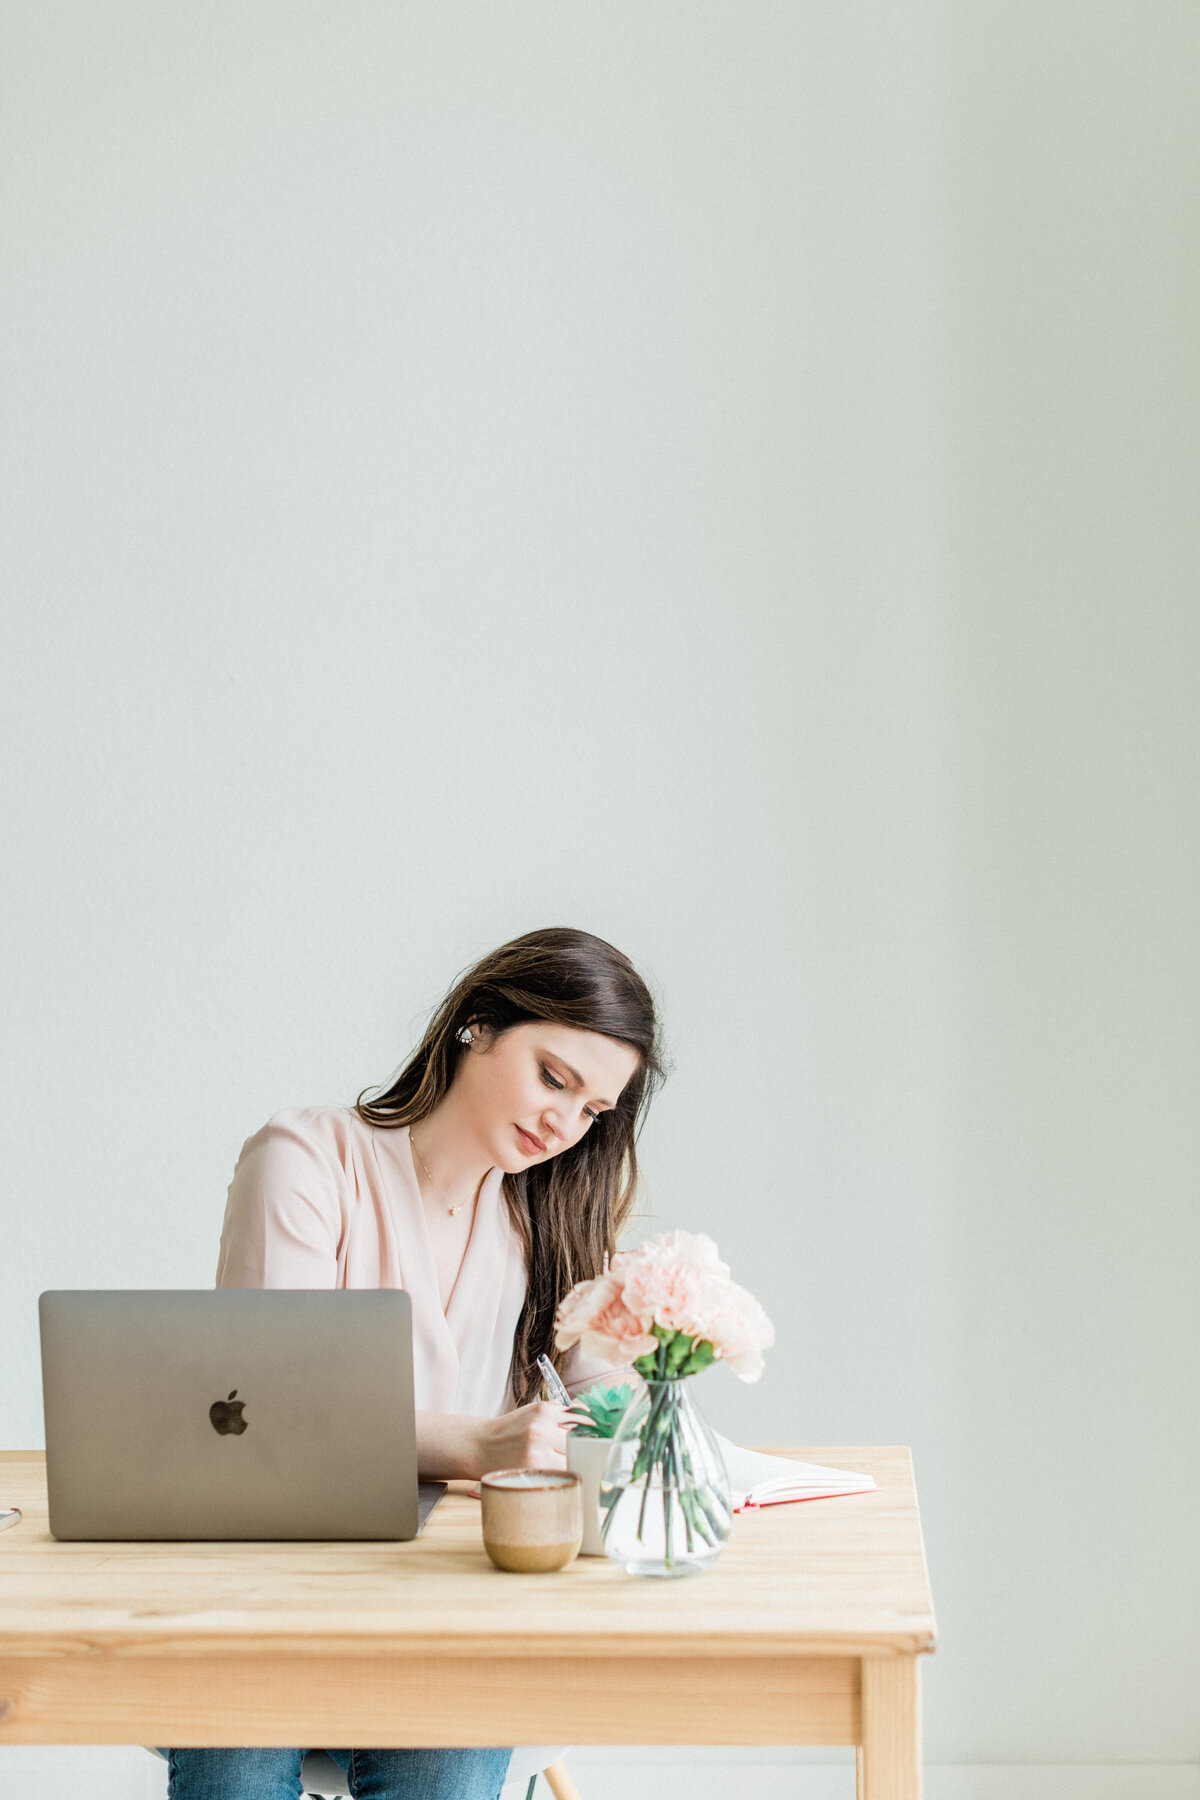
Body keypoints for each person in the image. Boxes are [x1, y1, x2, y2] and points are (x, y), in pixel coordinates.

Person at [166, 926, 664, 1800]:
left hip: (443, 1598)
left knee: (447, 1762)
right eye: (554, 1076)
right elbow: (270, 1415)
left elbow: (601, 1407)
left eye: (592, 1111)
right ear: (478, 1024)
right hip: (264, 1584)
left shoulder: (552, 1222)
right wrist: (479, 1448)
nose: (563, 1123)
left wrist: (646, 1382)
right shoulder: (309, 1162)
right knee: (237, 1768)